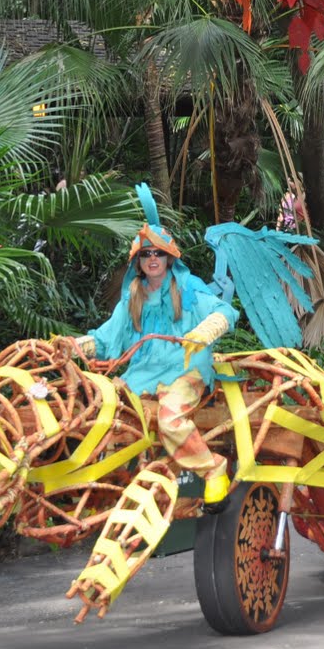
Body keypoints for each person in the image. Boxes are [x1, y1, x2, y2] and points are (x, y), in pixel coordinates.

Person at [75, 208, 238, 508]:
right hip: (142, 374)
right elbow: (104, 338)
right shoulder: (132, 299)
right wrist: (72, 346)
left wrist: (206, 330)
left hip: (186, 368)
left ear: (169, 258)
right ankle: (110, 484)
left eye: (158, 253)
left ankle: (213, 469)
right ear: (138, 261)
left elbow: (225, 311)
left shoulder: (187, 289)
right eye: (146, 253)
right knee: (102, 407)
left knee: (170, 418)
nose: (152, 259)